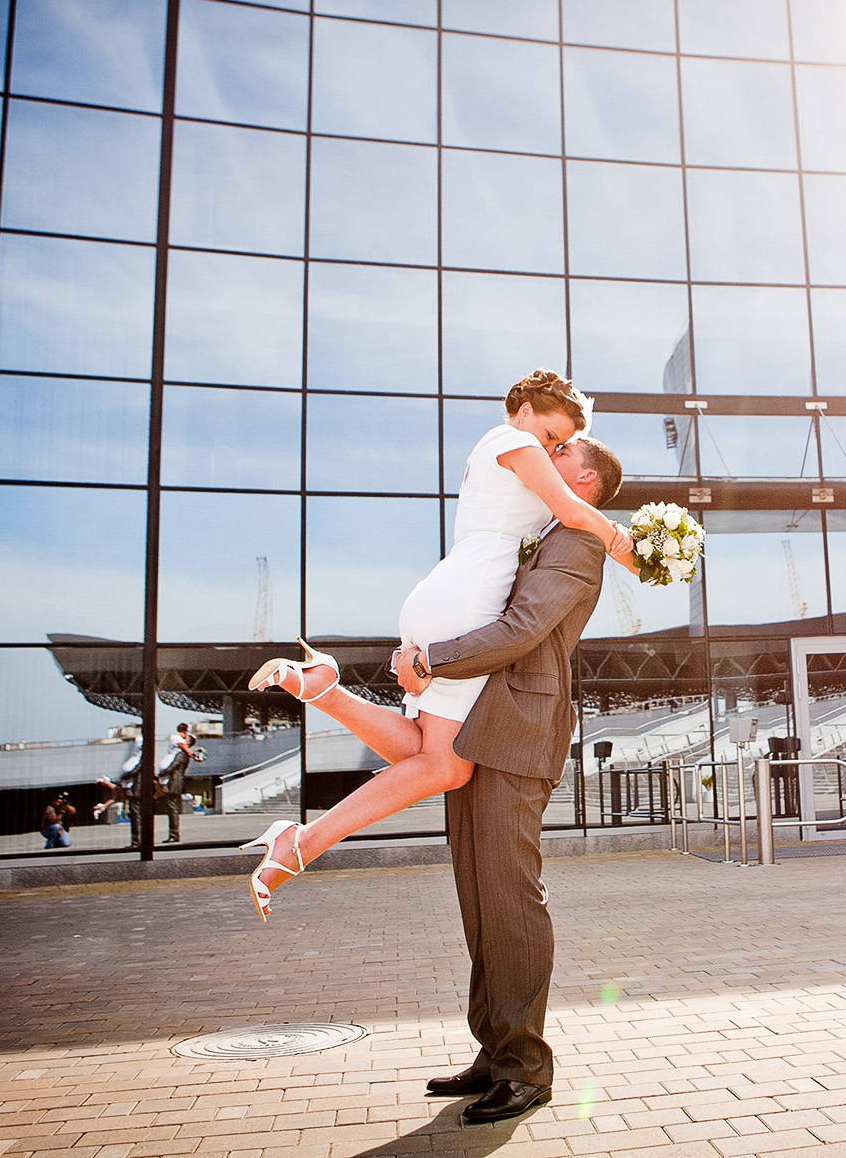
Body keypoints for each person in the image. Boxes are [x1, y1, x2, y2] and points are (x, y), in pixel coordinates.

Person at [243, 432, 623, 1125]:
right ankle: (494, 1051)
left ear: (587, 480)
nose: (550, 454)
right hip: (480, 727)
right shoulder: (540, 532)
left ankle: (526, 1068)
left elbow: (522, 628)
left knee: (511, 902)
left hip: (517, 736)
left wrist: (431, 661)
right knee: (479, 902)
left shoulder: (578, 541)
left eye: (564, 451)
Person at [240, 370, 633, 923]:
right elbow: (573, 512)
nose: (550, 449)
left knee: (431, 754)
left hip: (447, 592)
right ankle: (302, 843)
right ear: (524, 411)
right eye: (552, 436)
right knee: (447, 767)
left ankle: (324, 693)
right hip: (468, 602)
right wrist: (633, 548)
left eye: (561, 444)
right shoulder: (514, 440)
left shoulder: (506, 451)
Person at [158, 723, 195, 843]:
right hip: (174, 782)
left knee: (172, 809)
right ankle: (173, 834)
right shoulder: (180, 753)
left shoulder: (181, 754)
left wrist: (159, 775)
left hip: (173, 783)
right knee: (171, 808)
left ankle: (174, 834)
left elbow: (172, 767)